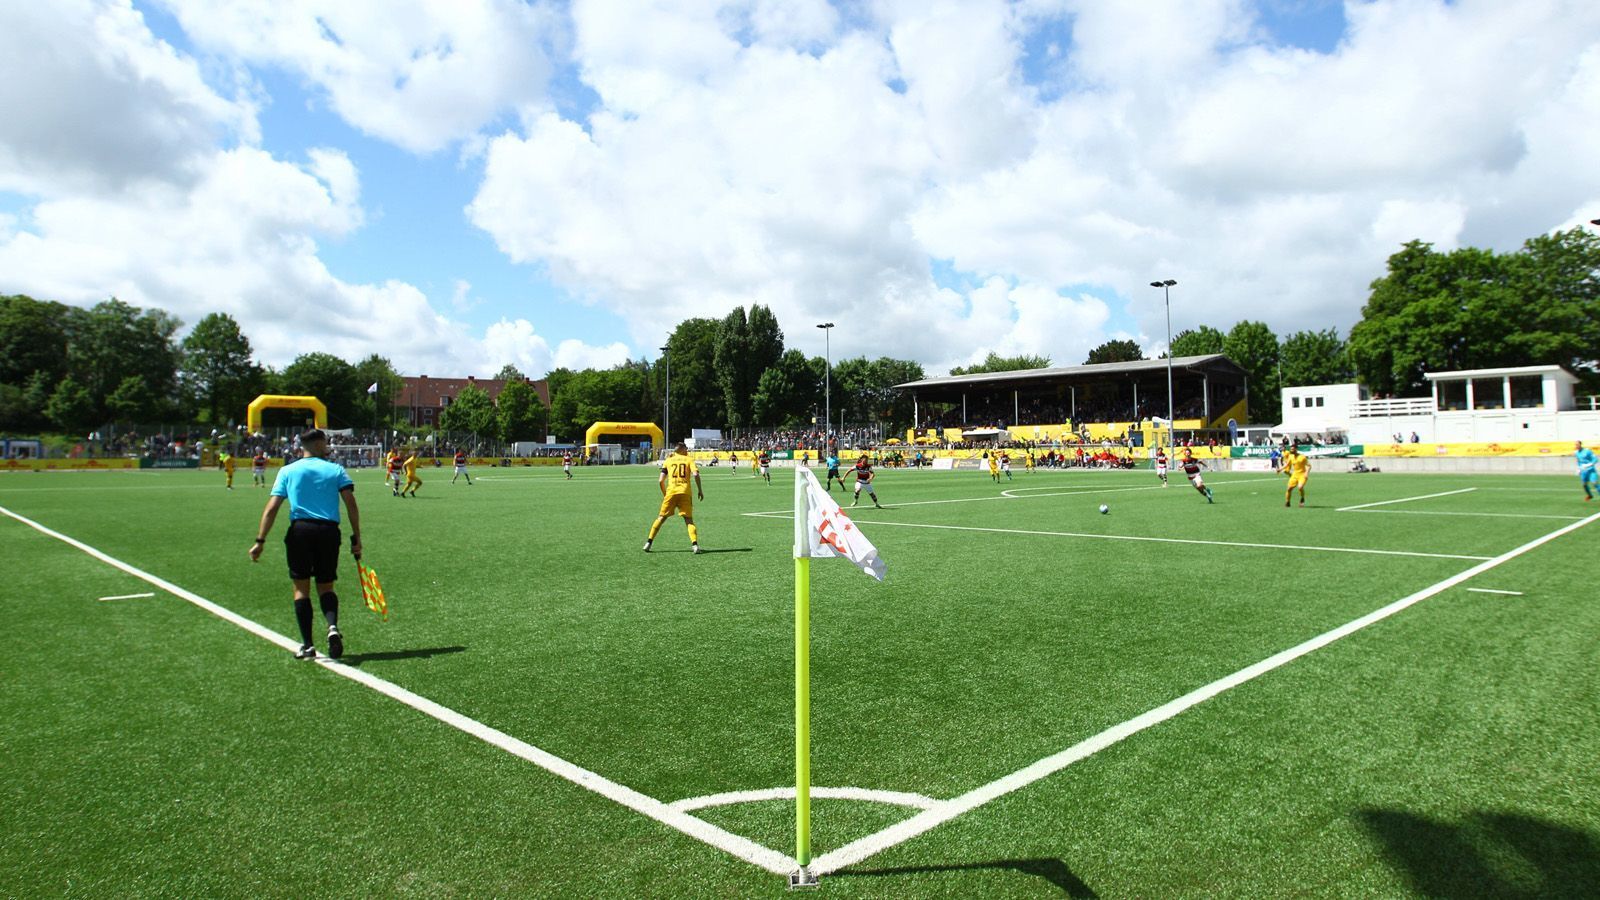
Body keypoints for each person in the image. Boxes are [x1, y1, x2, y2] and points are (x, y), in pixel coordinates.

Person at [248, 428, 360, 660]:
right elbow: (351, 505)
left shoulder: (288, 470)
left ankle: (308, 645)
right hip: (329, 532)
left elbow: (272, 508)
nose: (328, 446)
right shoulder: (336, 470)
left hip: (300, 531)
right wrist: (356, 536)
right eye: (325, 442)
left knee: (301, 589)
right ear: (318, 444)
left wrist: (260, 540)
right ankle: (332, 627)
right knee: (326, 586)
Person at [644, 442, 703, 554]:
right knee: (689, 520)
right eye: (686, 448)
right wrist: (700, 490)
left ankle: (648, 543)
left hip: (671, 492)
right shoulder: (688, 459)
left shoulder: (668, 460)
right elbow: (695, 474)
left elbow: (660, 480)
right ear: (681, 449)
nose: (687, 451)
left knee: (661, 518)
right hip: (685, 492)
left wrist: (665, 493)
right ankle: (695, 545)